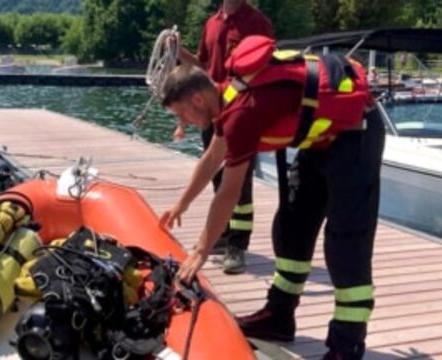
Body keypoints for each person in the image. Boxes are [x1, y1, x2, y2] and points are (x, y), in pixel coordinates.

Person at [160, 36, 384, 359]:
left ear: (196, 99)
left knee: (345, 244)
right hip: (320, 141)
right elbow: (211, 159)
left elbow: (228, 192)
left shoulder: (241, 112)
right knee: (292, 225)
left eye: (181, 115)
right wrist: (180, 203)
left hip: (356, 134)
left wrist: (199, 251)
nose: (182, 124)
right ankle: (279, 316)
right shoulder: (227, 96)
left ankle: (346, 344)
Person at [174, 0, 273, 274]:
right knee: (217, 177)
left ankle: (237, 245)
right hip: (212, 108)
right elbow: (201, 66)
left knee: (240, 183)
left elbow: (266, 67)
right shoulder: (212, 23)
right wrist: (178, 51)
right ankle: (223, 233)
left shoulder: (257, 22)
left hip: (242, 111)